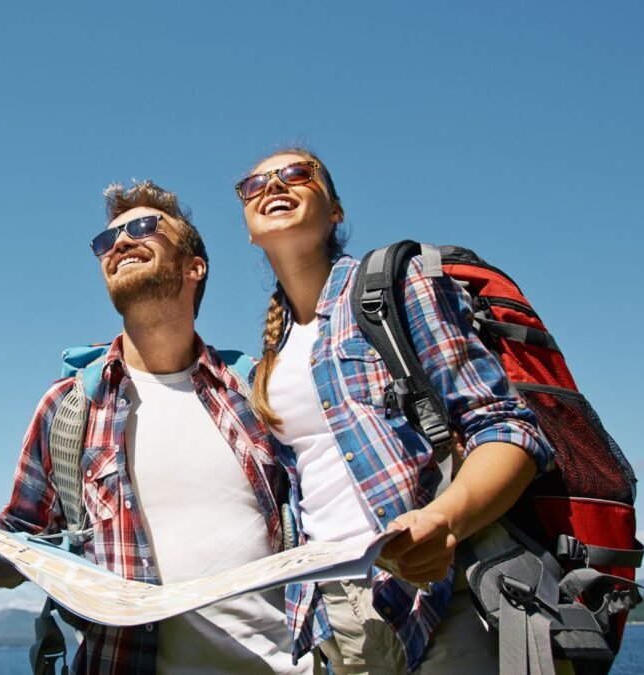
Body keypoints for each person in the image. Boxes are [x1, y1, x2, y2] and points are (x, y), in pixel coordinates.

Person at [0, 180, 303, 674]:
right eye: (106, 241)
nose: (121, 243)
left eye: (144, 228)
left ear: (195, 267)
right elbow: (20, 558)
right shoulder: (68, 409)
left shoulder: (259, 391)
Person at [236, 148, 555, 674]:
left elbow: (509, 429)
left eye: (296, 173)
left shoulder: (394, 287)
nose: (274, 185)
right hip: (332, 612)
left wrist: (443, 520)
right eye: (254, 184)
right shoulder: (267, 360)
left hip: (440, 593)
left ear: (336, 210)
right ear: (248, 228)